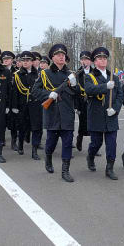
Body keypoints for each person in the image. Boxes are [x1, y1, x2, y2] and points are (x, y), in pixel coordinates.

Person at [32, 44, 77, 182]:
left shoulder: (70, 74)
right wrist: (48, 94)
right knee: (51, 142)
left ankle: (65, 170)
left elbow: (79, 93)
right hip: (52, 113)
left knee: (68, 143)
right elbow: (35, 91)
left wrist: (75, 85)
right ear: (52, 57)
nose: (61, 57)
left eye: (63, 55)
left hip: (67, 114)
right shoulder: (45, 74)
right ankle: (48, 158)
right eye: (58, 55)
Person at [84, 47, 123, 180]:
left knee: (112, 144)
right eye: (100, 58)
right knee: (96, 142)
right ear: (94, 61)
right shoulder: (89, 76)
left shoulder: (114, 77)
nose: (103, 60)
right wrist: (105, 87)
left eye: (105, 58)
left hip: (111, 116)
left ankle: (109, 168)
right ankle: (90, 156)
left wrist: (116, 109)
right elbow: (89, 90)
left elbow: (120, 95)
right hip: (96, 115)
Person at [12, 51, 43, 160]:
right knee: (22, 127)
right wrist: (14, 106)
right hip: (23, 105)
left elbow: (41, 90)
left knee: (36, 128)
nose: (25, 62)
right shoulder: (17, 75)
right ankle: (20, 145)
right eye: (23, 60)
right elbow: (15, 92)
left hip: (36, 105)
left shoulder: (39, 74)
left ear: (32, 62)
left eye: (28, 60)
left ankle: (34, 151)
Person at [75, 51, 93, 151]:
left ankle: (94, 145)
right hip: (81, 102)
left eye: (86, 59)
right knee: (83, 122)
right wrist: (76, 106)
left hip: (93, 101)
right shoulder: (77, 74)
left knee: (94, 124)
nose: (84, 61)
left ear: (90, 61)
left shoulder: (95, 72)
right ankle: (80, 138)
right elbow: (74, 91)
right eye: (82, 59)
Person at [2, 50, 18, 150]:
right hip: (4, 99)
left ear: (12, 60)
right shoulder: (0, 71)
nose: (6, 61)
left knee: (14, 123)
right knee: (2, 121)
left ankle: (13, 142)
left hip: (14, 99)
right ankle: (2, 139)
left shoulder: (17, 71)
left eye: (8, 59)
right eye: (4, 59)